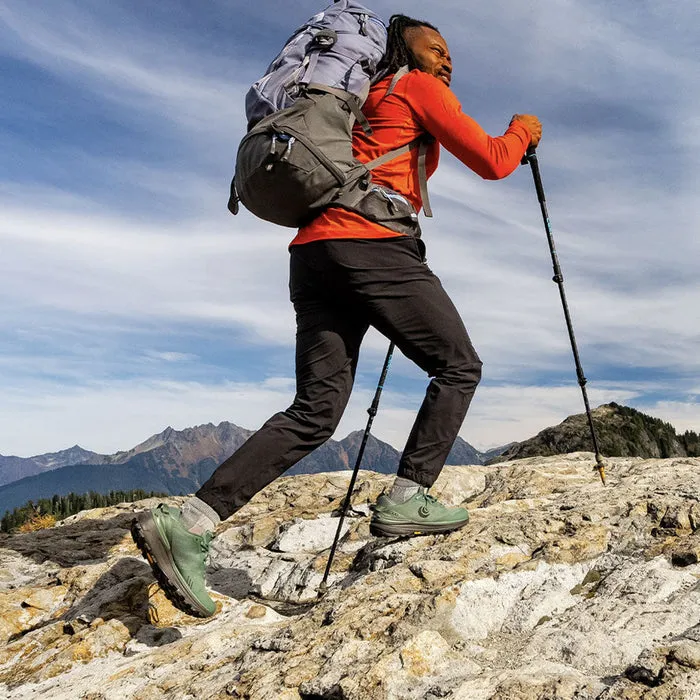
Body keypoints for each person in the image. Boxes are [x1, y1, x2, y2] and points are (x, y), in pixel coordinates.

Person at [131, 14, 542, 618]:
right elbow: (492, 159)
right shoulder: (414, 86)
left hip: (315, 253)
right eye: (437, 48)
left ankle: (189, 522)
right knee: (458, 365)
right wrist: (523, 129)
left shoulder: (358, 102)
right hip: (370, 242)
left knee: (316, 410)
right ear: (405, 50)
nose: (448, 59)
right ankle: (408, 497)